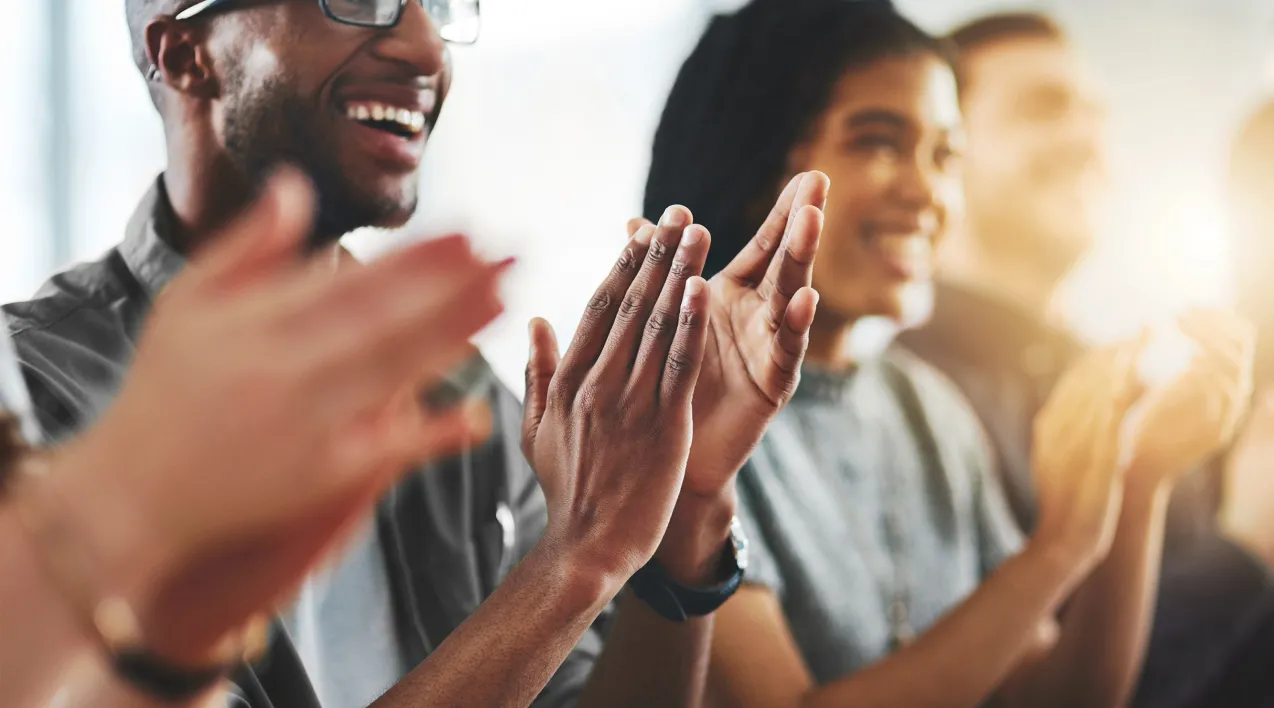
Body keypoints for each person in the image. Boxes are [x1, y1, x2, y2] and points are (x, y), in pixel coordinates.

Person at [3, 0, 830, 706]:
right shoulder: (31, 396)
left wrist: (682, 500)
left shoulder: (456, 391)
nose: (426, 49)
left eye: (435, 3)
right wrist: (576, 561)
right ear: (184, 52)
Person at [643, 1, 1252, 706]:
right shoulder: (680, 412)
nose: (926, 190)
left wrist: (1139, 484)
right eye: (878, 142)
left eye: (945, 155)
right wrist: (1055, 549)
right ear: (754, 161)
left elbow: (1058, 696)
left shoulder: (926, 408)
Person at [1, 171, 511, 707]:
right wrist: (571, 569)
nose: (429, 80)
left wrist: (173, 651)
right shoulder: (45, 370)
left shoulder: (460, 388)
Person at [896, 13, 1274, 706]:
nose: (1086, 137)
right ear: (944, 147)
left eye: (1094, 112)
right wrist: (1244, 549)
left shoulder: (1138, 378)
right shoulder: (910, 405)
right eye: (1043, 108)